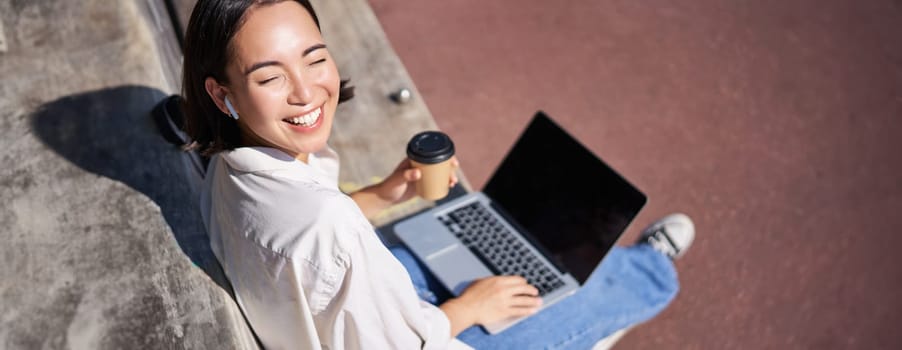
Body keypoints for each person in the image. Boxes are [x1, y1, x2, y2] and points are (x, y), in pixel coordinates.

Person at [181, 0, 696, 349]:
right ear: (222, 95)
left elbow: (322, 250)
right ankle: (650, 268)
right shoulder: (326, 224)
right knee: (586, 290)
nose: (305, 91)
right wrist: (471, 307)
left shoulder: (228, 166)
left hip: (336, 315)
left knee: (456, 230)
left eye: (314, 59)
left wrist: (384, 194)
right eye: (271, 76)